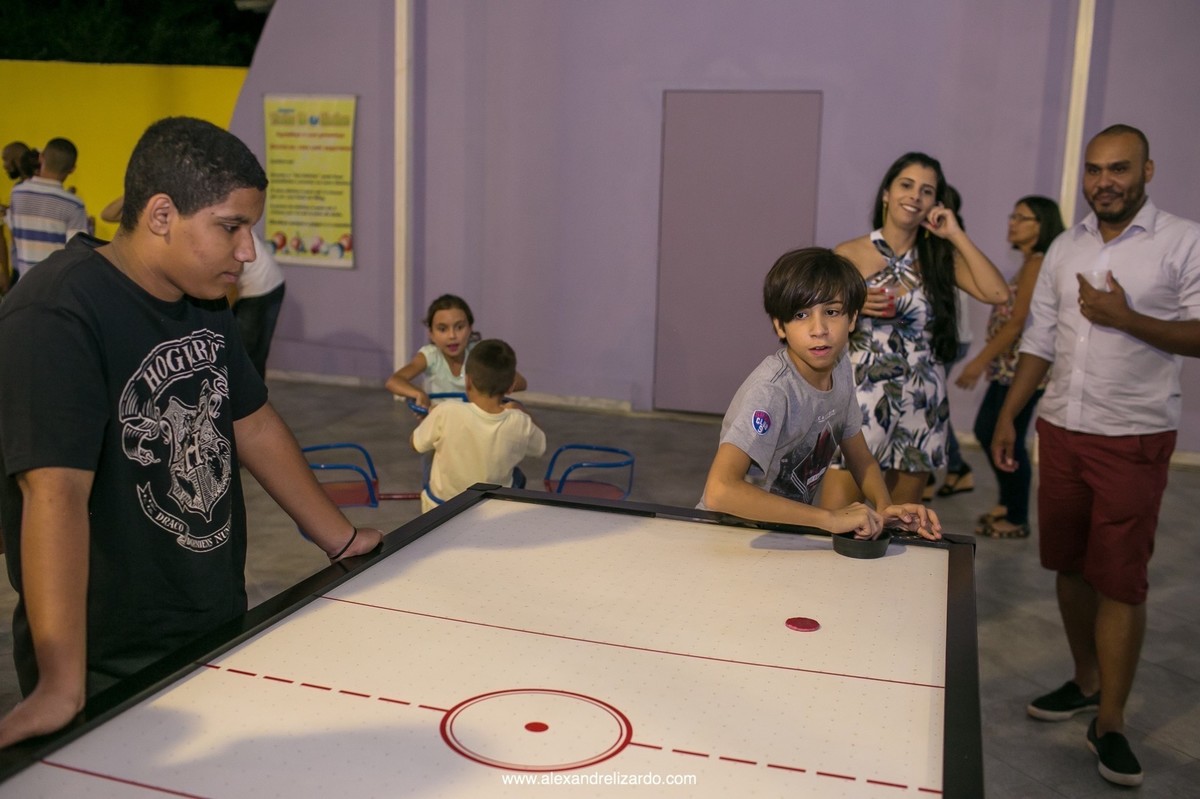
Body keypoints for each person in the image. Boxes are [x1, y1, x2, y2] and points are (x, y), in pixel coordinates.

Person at [0, 117, 383, 748]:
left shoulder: (200, 297)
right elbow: (53, 496)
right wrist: (61, 684)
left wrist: (337, 538)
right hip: (108, 656)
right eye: (231, 227)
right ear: (160, 215)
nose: (248, 251)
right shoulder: (56, 316)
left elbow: (251, 421)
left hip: (211, 612)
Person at [992, 124, 1200, 787]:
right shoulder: (1065, 244)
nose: (1103, 180)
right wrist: (1008, 415)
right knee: (1070, 565)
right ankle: (1084, 679)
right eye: (1093, 169)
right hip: (1061, 429)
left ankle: (1109, 721)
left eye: (1118, 168)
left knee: (1121, 579)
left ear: (1147, 170)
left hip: (1133, 437)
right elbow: (1042, 338)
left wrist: (1125, 318)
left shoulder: (1182, 241)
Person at [700, 247, 940, 540]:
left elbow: (859, 455)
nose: (819, 329)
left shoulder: (838, 366)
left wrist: (885, 506)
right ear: (780, 325)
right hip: (729, 538)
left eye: (831, 312)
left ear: (852, 319)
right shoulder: (772, 391)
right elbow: (719, 491)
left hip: (781, 538)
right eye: (801, 315)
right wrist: (828, 518)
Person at [819, 153, 1009, 509]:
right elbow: (820, 325)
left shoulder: (938, 258)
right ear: (887, 193)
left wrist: (955, 234)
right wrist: (853, 308)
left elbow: (998, 293)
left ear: (935, 203)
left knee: (899, 526)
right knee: (836, 519)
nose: (914, 196)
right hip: (862, 400)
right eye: (906, 185)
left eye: (926, 191)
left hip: (922, 401)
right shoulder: (849, 253)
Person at [955, 196, 1064, 538]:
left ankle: (1017, 516)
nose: (1012, 223)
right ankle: (1008, 502)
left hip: (1022, 370)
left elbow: (1017, 322)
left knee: (1001, 436)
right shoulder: (1030, 261)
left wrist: (978, 361)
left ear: (1042, 224)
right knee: (991, 432)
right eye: (1012, 215)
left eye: (1022, 217)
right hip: (1008, 368)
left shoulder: (1038, 263)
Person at [411, 338, 546, 513]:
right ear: (511, 386)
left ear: (467, 382)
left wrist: (428, 420)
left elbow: (415, 444)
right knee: (518, 478)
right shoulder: (520, 421)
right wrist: (520, 410)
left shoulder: (445, 412)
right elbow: (540, 447)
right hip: (494, 510)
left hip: (440, 508)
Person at [386, 294, 527, 411]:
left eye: (459, 327)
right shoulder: (430, 356)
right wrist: (418, 393)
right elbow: (394, 381)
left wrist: (487, 390)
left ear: (470, 328)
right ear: (431, 334)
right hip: (441, 424)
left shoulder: (478, 353)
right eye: (442, 329)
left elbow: (520, 382)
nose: (452, 335)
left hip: (475, 421)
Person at [7, 137, 90, 277]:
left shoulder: (17, 193)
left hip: (23, 286)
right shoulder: (74, 204)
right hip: (54, 287)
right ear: (72, 169)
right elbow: (76, 252)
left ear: (41, 158)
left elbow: (13, 232)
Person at [231, 231, 286, 378]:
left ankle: (250, 398)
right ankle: (254, 396)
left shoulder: (223, 225)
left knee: (245, 353)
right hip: (270, 283)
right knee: (252, 351)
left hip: (259, 288)